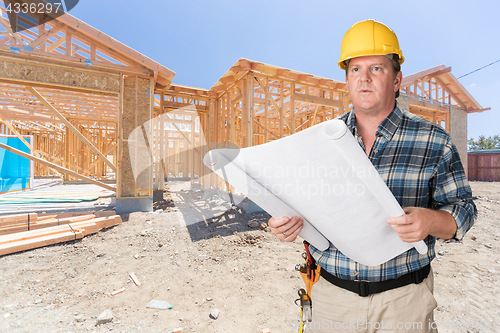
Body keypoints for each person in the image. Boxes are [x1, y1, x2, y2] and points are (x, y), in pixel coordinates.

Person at [268, 19, 476, 332]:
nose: (364, 78)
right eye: (355, 69)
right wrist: (290, 223)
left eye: (376, 68)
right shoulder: (319, 141)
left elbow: (464, 208)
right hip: (331, 301)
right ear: (347, 79)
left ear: (396, 80)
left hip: (404, 301)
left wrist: (431, 222)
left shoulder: (434, 141)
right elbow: (305, 205)